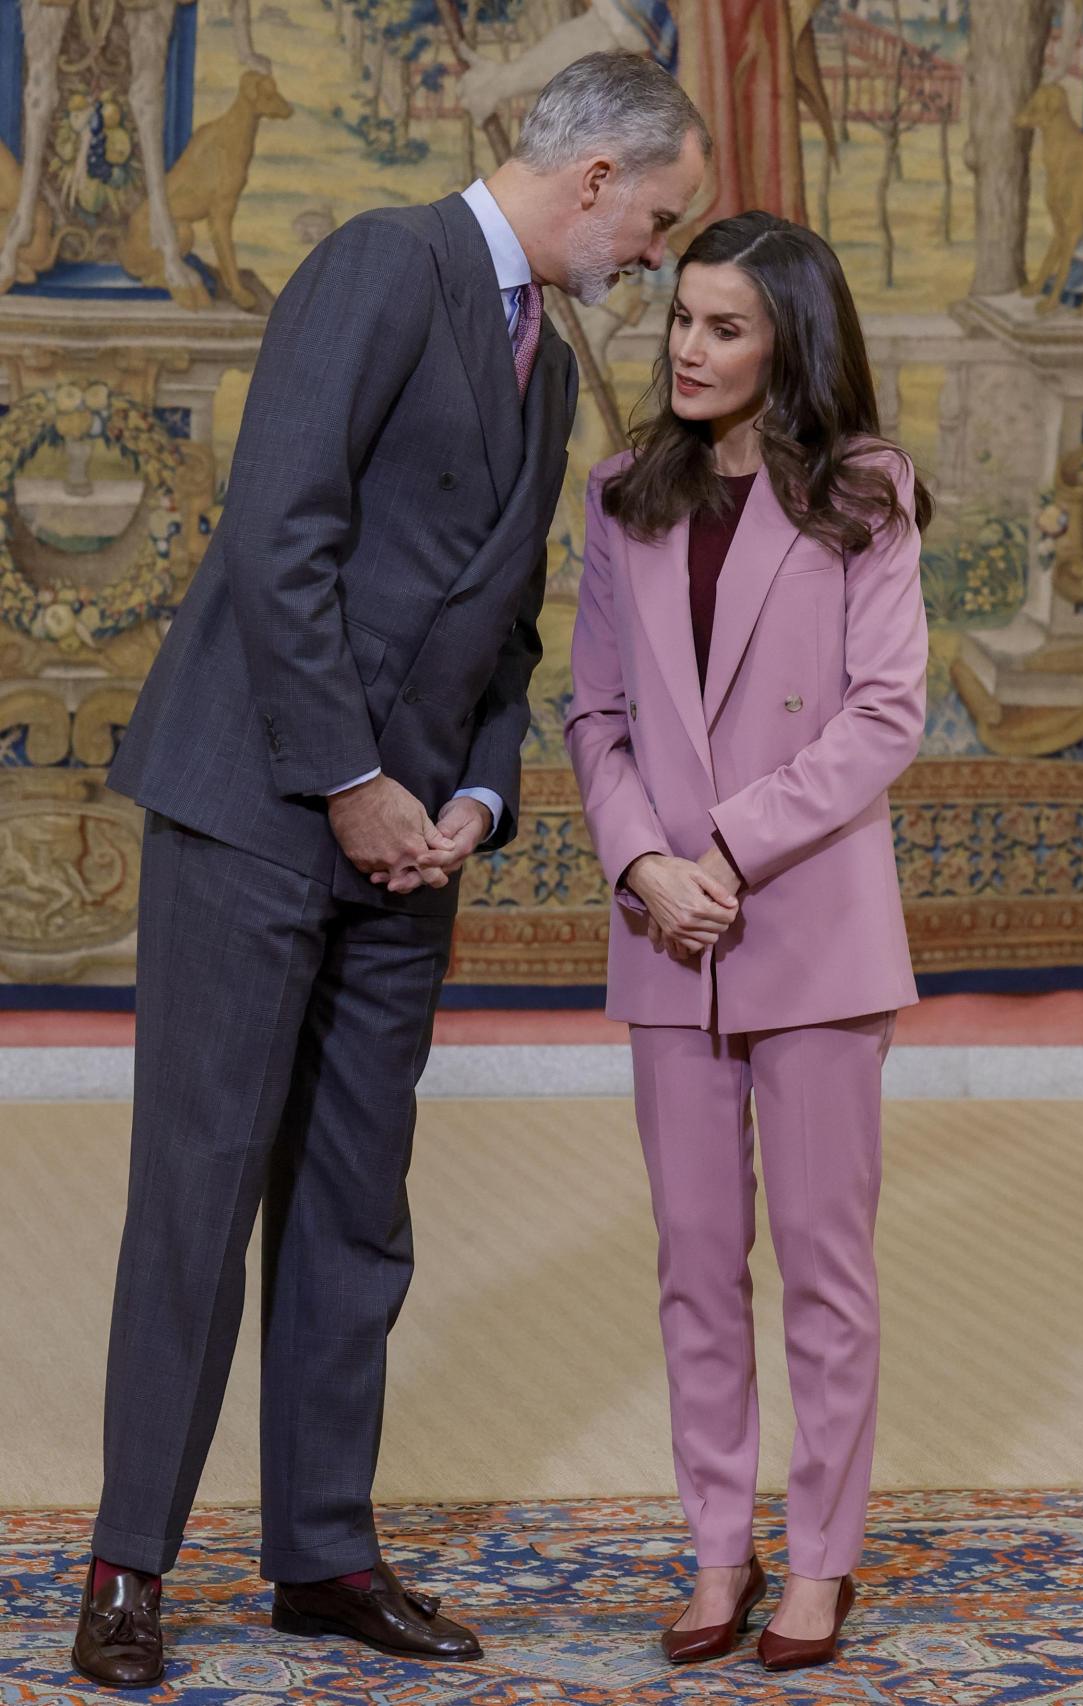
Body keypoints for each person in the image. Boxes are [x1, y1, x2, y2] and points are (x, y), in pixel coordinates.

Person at [72, 51, 710, 1691]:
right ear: (594, 179)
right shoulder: (380, 263)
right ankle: (127, 1565)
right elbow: (277, 534)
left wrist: (475, 806)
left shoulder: (551, 369)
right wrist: (355, 782)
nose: (655, 252)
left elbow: (507, 632)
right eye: (656, 218)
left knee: (358, 1205)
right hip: (257, 809)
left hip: (411, 854)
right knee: (198, 1193)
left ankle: (324, 1554)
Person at [564, 209, 930, 1674]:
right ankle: (719, 1550)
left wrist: (723, 848)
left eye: (725, 325)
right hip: (669, 933)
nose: (690, 348)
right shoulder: (621, 493)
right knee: (695, 1257)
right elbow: (594, 713)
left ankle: (821, 1561)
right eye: (681, 322)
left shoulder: (865, 492)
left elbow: (883, 711)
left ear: (792, 338)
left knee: (825, 1270)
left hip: (814, 928)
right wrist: (646, 860)